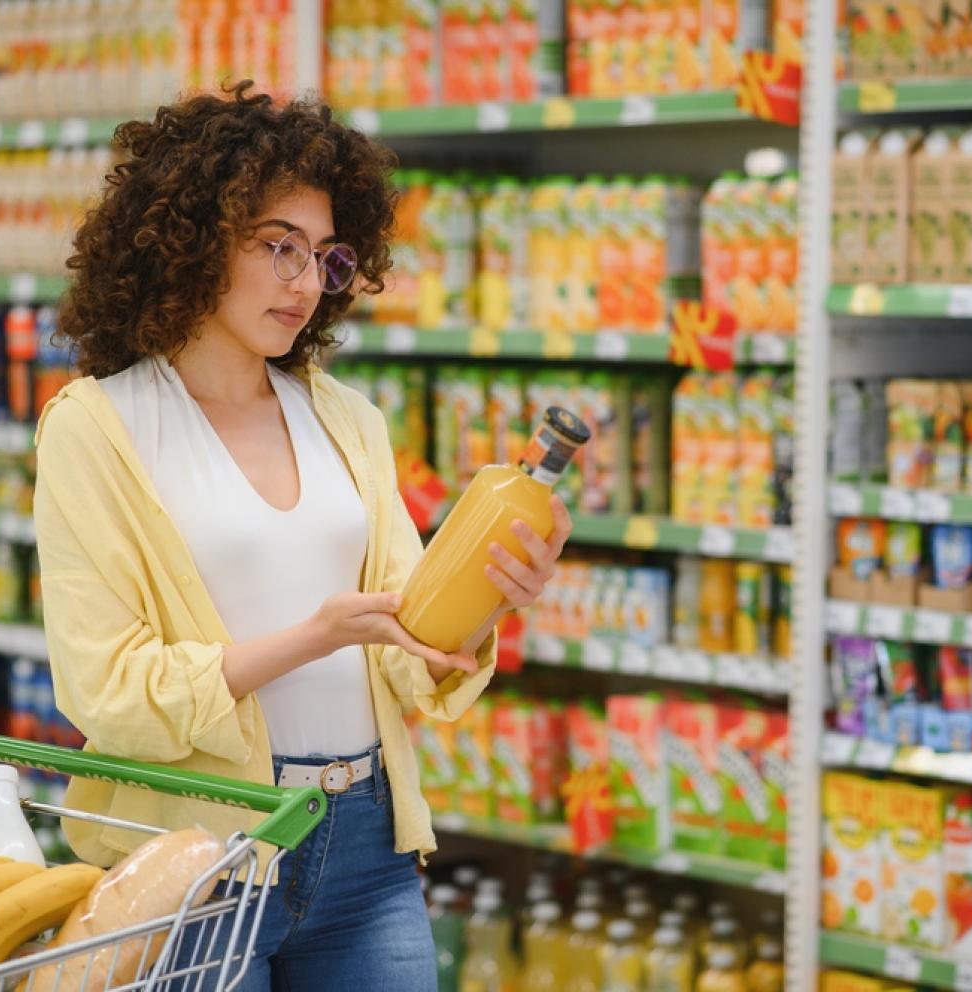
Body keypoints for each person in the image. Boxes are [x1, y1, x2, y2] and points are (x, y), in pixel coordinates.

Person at [34, 81, 574, 989]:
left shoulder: (347, 421)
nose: (305, 281)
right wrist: (312, 637)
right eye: (278, 245)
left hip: (365, 843)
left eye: (325, 255)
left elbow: (409, 650)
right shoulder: (99, 427)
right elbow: (107, 691)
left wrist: (490, 594)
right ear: (192, 236)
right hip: (200, 850)